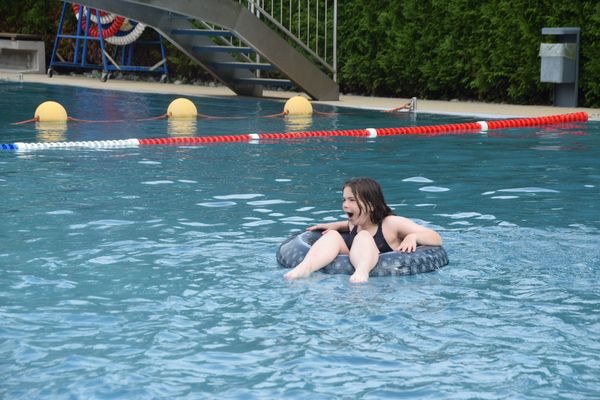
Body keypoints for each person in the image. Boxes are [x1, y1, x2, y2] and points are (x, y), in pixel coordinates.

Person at [284, 177, 442, 283]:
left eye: (352, 200)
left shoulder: (391, 224)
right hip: (356, 256)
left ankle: (362, 271)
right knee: (332, 235)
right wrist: (335, 226)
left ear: (371, 204)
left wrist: (413, 237)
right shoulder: (354, 222)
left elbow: (436, 237)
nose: (345, 205)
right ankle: (305, 267)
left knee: (364, 236)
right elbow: (347, 224)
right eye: (344, 200)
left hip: (385, 275)